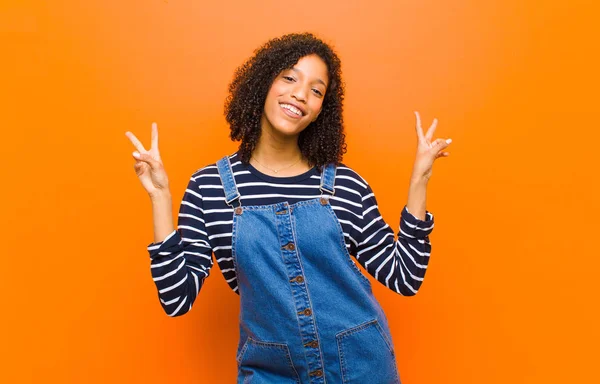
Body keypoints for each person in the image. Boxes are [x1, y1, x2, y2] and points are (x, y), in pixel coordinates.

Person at [126, 32, 451, 384]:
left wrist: (419, 182)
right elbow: (176, 299)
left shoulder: (345, 185)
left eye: (316, 90)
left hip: (360, 366)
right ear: (264, 83)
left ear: (319, 112)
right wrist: (160, 199)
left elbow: (405, 277)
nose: (300, 94)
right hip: (269, 371)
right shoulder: (210, 187)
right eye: (290, 78)